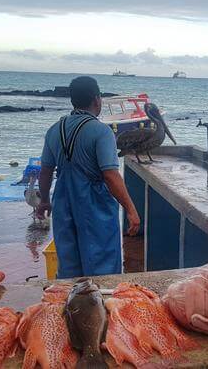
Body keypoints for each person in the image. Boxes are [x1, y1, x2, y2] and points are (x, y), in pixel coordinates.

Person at [37, 76, 141, 278]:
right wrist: (130, 209)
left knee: (68, 267)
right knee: (102, 266)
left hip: (63, 202)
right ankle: (99, 306)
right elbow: (110, 175)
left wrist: (44, 200)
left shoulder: (54, 130)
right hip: (95, 205)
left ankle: (71, 306)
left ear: (72, 100)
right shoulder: (101, 132)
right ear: (97, 99)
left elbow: (46, 171)